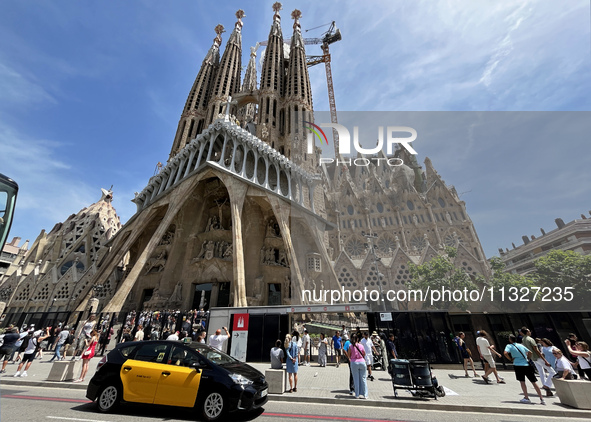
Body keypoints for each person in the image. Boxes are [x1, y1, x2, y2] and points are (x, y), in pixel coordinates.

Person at [504, 334, 546, 405]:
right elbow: (530, 352)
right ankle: (541, 398)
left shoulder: (509, 346)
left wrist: (510, 359)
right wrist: (528, 358)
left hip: (517, 365)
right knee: (533, 382)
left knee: (522, 382)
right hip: (526, 364)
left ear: (510, 340)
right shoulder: (521, 345)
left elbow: (505, 353)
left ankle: (526, 397)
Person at [520, 327, 552, 393]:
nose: (530, 332)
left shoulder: (523, 339)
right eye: (529, 331)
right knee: (552, 371)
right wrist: (545, 360)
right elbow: (536, 350)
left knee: (541, 371)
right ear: (527, 332)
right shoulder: (530, 339)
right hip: (537, 357)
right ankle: (547, 384)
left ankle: (544, 384)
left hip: (533, 358)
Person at [346, 334, 368, 399]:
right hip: (362, 362)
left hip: (354, 362)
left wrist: (351, 358)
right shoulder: (361, 345)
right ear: (357, 339)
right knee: (363, 378)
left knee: (356, 379)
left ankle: (357, 394)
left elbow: (348, 354)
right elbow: (364, 353)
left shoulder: (350, 346)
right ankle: (365, 394)